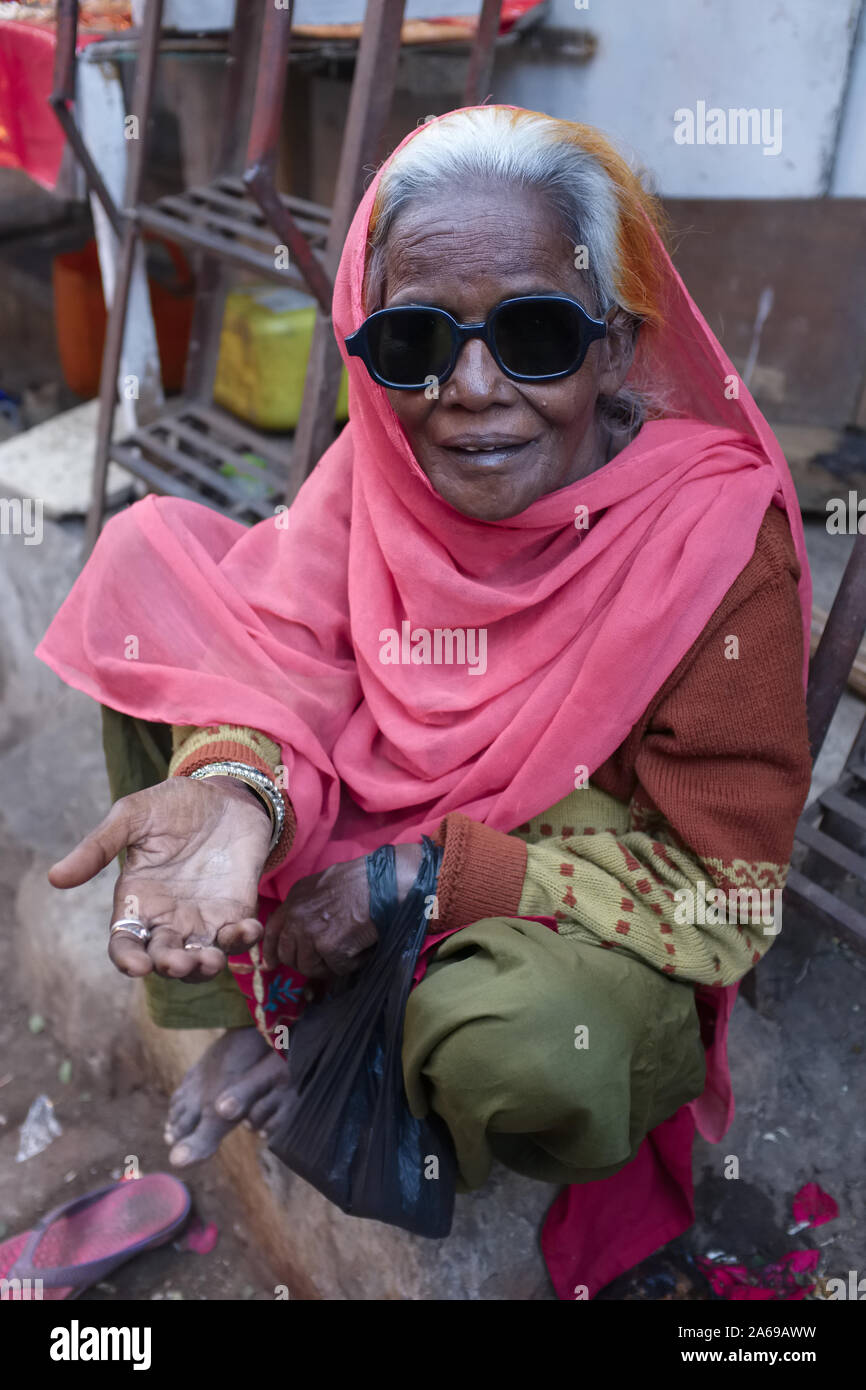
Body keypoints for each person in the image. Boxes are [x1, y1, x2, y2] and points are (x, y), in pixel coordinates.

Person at [38, 106, 812, 1297]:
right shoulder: (392, 458)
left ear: (615, 346)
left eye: (537, 332)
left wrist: (423, 876)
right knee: (157, 598)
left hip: (555, 909)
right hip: (383, 839)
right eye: (413, 342)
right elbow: (282, 648)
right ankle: (285, 1012)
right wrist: (237, 787)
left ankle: (383, 1054)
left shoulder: (711, 544)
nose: (470, 388)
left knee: (529, 1043)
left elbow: (727, 891)